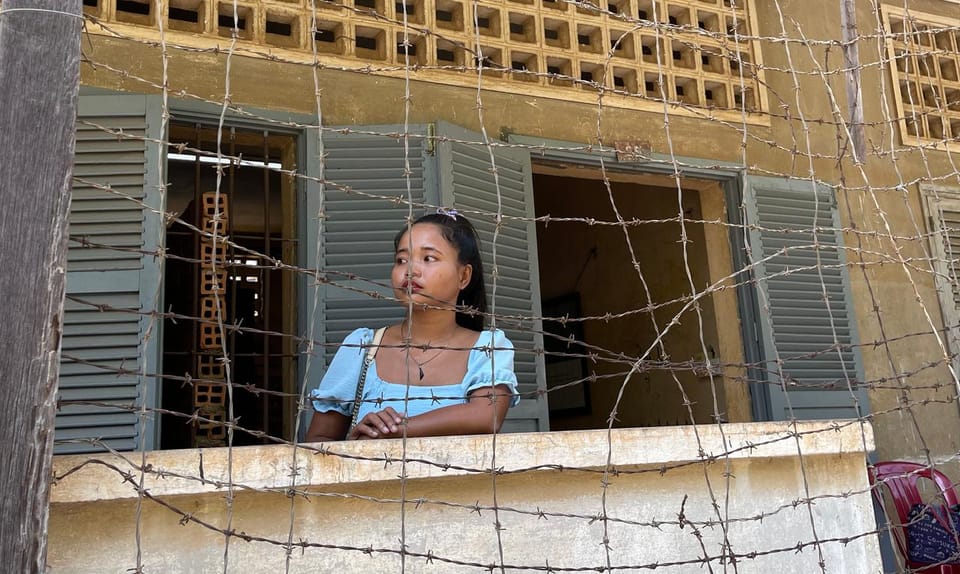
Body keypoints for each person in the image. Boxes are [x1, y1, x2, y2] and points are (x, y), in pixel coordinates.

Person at [305, 210, 519, 441]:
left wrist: (393, 430)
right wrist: (357, 444)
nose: (410, 270)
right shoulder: (363, 347)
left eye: (428, 258)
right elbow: (319, 442)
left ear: (463, 276)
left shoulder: (487, 347)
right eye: (401, 260)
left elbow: (486, 416)